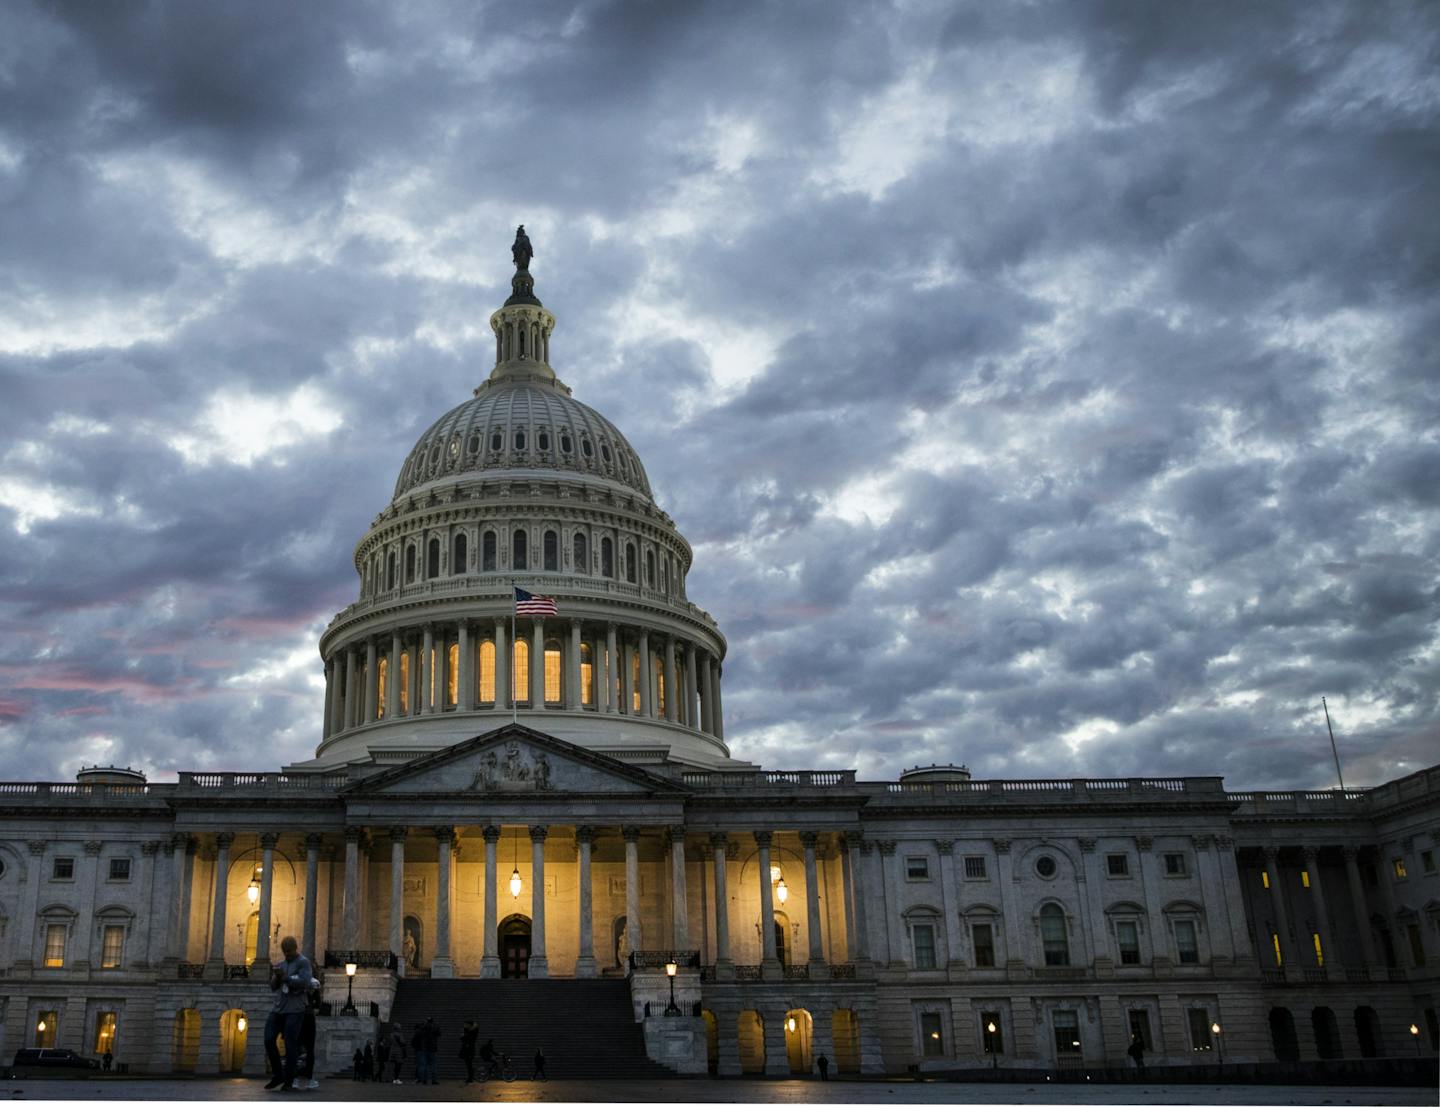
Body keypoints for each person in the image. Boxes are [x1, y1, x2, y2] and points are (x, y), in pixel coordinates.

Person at [263, 935, 313, 1092]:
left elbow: (306, 982)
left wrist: (286, 979)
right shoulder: (282, 964)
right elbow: (273, 987)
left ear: (295, 948)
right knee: (268, 1039)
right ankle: (278, 1074)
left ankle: (289, 1081)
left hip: (295, 1009)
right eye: (285, 952)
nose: (287, 954)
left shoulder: (304, 962)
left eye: (289, 951)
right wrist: (277, 977)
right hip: (278, 1008)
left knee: (290, 1043)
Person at [297, 976, 321, 1090]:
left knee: (297, 1048)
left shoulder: (298, 982)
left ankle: (295, 1078)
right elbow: (318, 1005)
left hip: (299, 1016)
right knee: (309, 1049)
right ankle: (308, 1078)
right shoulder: (314, 983)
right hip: (308, 1017)